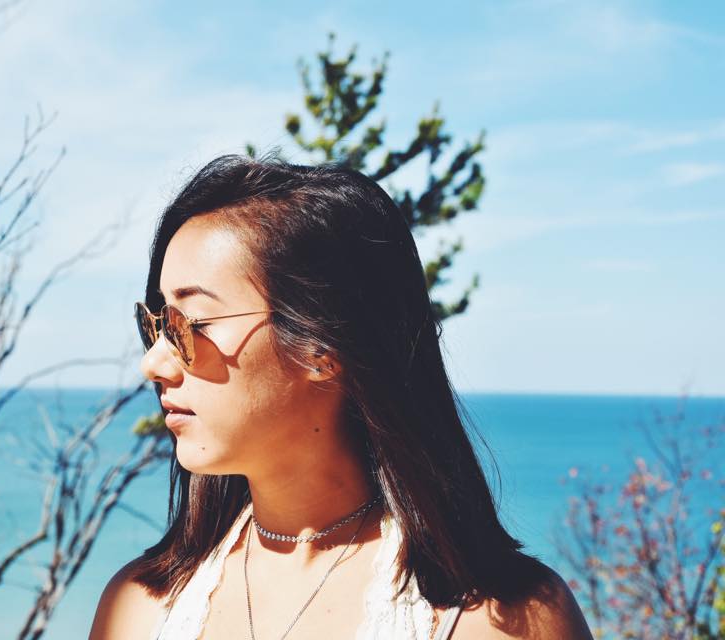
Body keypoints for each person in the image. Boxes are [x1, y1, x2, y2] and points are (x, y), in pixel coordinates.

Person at [88, 155, 593, 639]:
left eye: (188, 324)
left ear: (323, 347)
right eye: (153, 323)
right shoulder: (140, 609)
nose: (153, 362)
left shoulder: (503, 620)